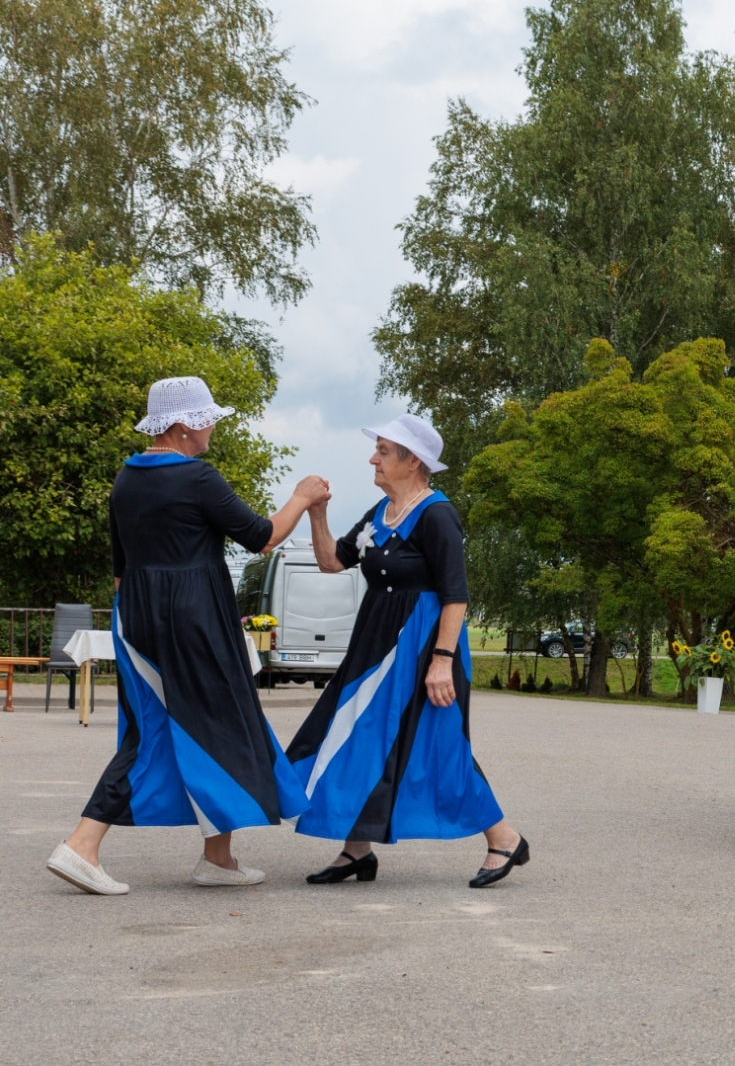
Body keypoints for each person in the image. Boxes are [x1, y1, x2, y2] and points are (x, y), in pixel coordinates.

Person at [47, 377, 328, 895]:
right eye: (207, 418)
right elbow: (263, 536)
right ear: (181, 427)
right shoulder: (198, 477)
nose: (213, 427)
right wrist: (302, 496)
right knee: (163, 730)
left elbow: (119, 571)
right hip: (193, 618)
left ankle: (217, 859)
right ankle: (81, 845)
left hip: (136, 612)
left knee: (208, 725)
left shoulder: (126, 479)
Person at [286, 414, 527, 889]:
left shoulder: (437, 514)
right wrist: (317, 513)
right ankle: (357, 850)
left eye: (383, 450)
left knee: (440, 746)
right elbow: (332, 561)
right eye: (376, 449)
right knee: (357, 737)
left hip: (423, 649)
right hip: (375, 648)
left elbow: (455, 594)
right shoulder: (380, 511)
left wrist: (442, 660)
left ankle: (504, 838)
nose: (373, 458)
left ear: (412, 461)